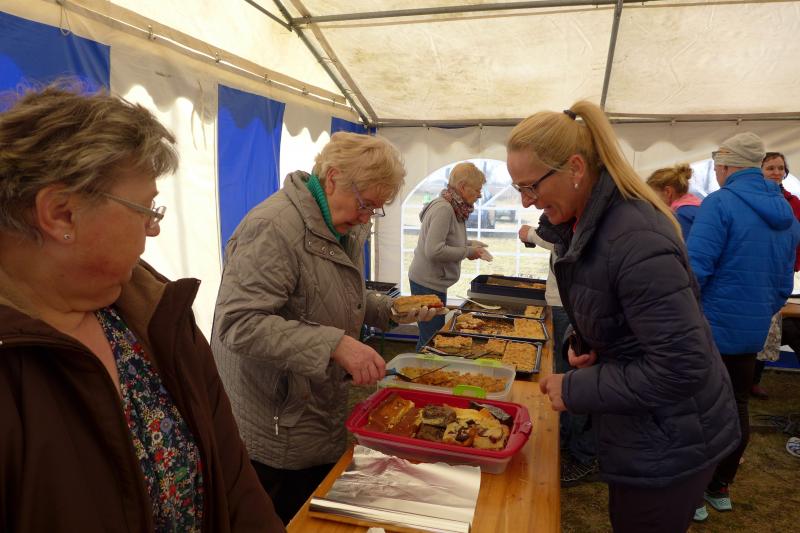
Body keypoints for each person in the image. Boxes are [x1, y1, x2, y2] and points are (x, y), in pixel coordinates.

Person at [0, 83, 283, 532]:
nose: (153, 229)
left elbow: (234, 485)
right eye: (146, 208)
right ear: (61, 213)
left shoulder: (160, 318)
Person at [510, 101, 740, 533]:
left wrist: (576, 388)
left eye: (530, 186)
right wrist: (582, 343)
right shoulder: (590, 225)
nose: (525, 202)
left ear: (576, 168)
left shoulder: (635, 238)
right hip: (648, 429)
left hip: (673, 438)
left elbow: (681, 365)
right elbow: (617, 316)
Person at [211, 132, 441, 524]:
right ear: (332, 178)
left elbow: (331, 293)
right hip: (275, 426)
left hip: (315, 408)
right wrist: (335, 344)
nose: (367, 217)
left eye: (376, 209)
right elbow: (239, 324)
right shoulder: (273, 228)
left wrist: (389, 310)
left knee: (316, 508)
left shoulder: (339, 224)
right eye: (366, 204)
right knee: (285, 517)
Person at [687, 133, 800, 517]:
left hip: (710, 328)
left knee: (699, 411)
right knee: (736, 406)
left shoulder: (720, 203)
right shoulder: (786, 212)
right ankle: (720, 487)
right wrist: (758, 312)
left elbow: (694, 272)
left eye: (717, 166)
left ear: (726, 166)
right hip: (751, 330)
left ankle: (692, 494)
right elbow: (784, 283)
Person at [519, 216, 598, 486]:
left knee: (575, 381)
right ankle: (565, 438)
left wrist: (531, 234)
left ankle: (583, 456)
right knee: (564, 378)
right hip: (564, 303)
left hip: (572, 305)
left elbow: (563, 241)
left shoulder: (585, 219)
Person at [408, 161, 491, 351]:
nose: (480, 194)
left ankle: (421, 364)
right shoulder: (444, 209)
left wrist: (470, 244)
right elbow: (434, 250)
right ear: (462, 186)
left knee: (431, 336)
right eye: (477, 190)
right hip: (427, 284)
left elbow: (447, 240)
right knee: (431, 339)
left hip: (432, 282)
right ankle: (420, 367)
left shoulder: (453, 206)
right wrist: (468, 252)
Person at [752, 152, 800, 399]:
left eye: (780, 168)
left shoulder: (793, 202)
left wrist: (794, 265)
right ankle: (746, 379)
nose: (776, 172)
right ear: (759, 171)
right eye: (770, 167)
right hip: (755, 271)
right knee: (756, 325)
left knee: (772, 326)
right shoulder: (751, 199)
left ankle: (753, 380)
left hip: (781, 273)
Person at [645, 163, 702, 239]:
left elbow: (684, 245)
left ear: (668, 192)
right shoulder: (695, 205)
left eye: (653, 195)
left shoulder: (680, 215)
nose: (651, 201)